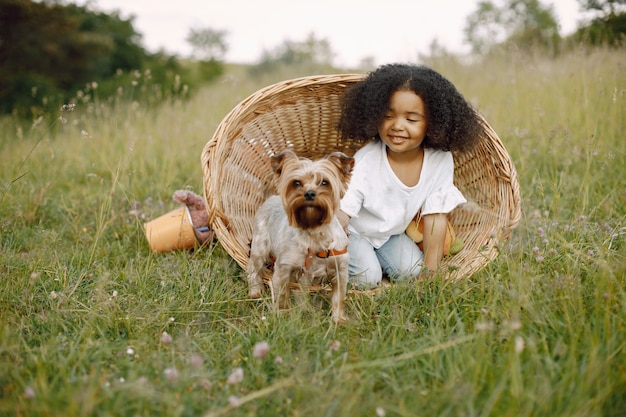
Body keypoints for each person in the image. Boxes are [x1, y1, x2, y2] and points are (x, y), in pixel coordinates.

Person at [337, 63, 483, 288]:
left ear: (432, 123)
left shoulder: (439, 160)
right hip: (354, 233)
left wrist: (431, 272)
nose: (397, 126)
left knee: (412, 273)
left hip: (391, 235)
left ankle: (376, 265)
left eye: (411, 120)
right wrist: (324, 245)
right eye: (388, 116)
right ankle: (368, 271)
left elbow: (435, 216)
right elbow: (343, 213)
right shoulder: (367, 160)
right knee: (367, 278)